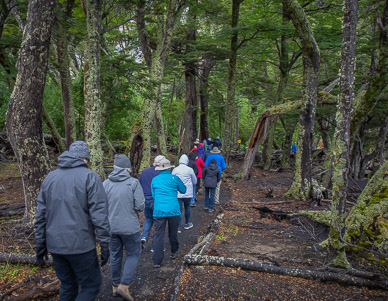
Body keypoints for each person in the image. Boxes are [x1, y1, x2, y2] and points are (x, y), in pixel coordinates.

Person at [35, 141, 110, 300]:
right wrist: (105, 243)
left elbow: (41, 215)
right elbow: (99, 214)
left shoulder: (50, 177)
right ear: (85, 159)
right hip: (80, 245)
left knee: (68, 284)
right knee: (92, 284)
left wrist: (41, 246)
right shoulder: (89, 176)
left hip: (56, 245)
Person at [103, 154, 145, 300]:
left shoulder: (106, 184)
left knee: (115, 255)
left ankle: (115, 286)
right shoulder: (133, 183)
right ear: (127, 168)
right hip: (130, 227)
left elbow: (101, 206)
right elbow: (140, 205)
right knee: (133, 254)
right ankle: (124, 286)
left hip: (111, 226)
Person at [151, 158, 186, 268]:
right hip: (173, 209)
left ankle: (157, 260)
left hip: (159, 210)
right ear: (169, 168)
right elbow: (183, 190)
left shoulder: (155, 180)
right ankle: (174, 251)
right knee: (173, 231)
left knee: (158, 234)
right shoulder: (175, 178)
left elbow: (153, 195)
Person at [139, 155, 165, 248]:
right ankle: (155, 246)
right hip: (157, 199)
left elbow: (140, 184)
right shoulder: (162, 173)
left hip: (146, 198)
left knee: (148, 219)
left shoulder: (145, 172)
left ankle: (144, 237)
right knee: (158, 222)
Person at [172, 154, 197, 231]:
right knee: (187, 207)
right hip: (187, 192)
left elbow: (172, 180)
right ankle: (187, 223)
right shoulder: (190, 170)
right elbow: (195, 181)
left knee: (179, 209)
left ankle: (178, 227)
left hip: (178, 192)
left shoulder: (175, 170)